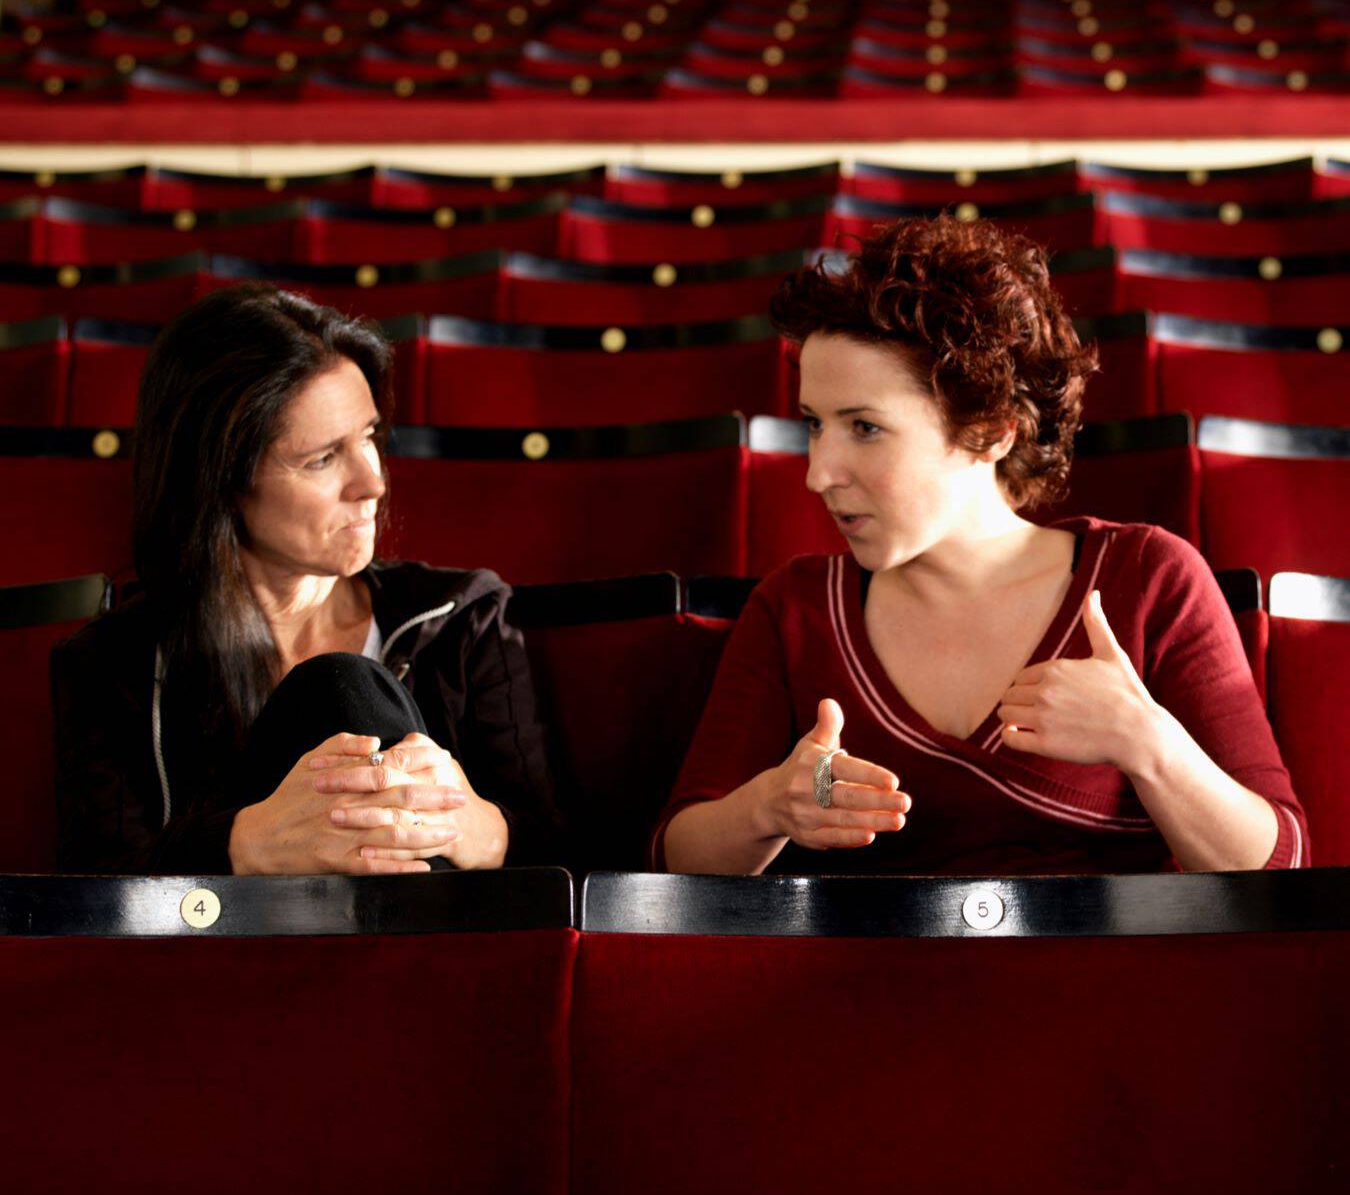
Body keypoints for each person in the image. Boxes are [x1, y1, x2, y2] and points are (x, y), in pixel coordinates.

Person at [655, 215, 1310, 876]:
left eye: (864, 428)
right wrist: (769, 808)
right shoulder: (794, 607)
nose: (817, 472)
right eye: (814, 425)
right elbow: (677, 861)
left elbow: (1278, 867)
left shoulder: (1151, 576)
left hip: (1111, 976)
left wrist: (1149, 745)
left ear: (991, 432)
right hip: (866, 977)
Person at [52, 284, 559, 875]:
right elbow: (95, 892)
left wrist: (482, 829)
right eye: (322, 458)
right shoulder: (116, 663)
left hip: (437, 955)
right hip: (225, 963)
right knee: (340, 688)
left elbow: (558, 855)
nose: (372, 483)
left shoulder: (464, 619)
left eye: (370, 437)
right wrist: (242, 845)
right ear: (221, 482)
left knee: (351, 689)